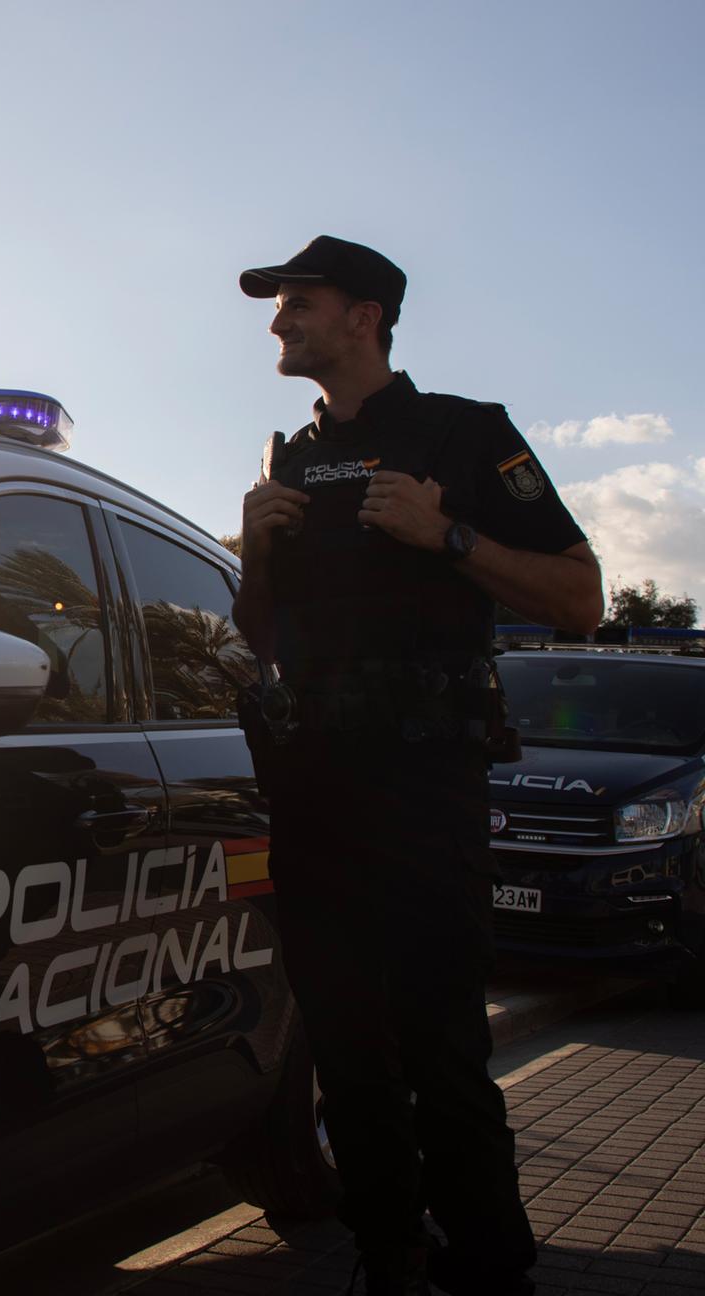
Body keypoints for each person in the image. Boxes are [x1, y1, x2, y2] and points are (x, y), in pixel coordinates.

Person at [232, 235, 602, 1296]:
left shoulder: (464, 434)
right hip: (314, 788)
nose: (277, 322)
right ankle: (387, 1254)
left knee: (440, 1050)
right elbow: (258, 637)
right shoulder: (286, 459)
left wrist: (448, 540)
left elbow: (582, 598)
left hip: (423, 787)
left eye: (297, 302)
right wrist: (253, 553)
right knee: (346, 1055)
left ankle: (489, 1267)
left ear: (365, 316)